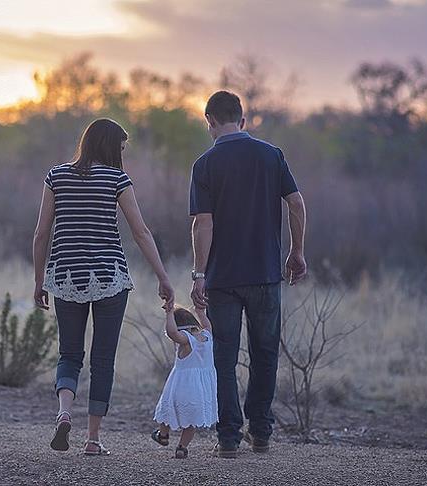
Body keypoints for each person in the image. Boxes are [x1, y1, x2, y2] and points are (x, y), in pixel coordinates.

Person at [32, 118, 174, 456]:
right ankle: (93, 439)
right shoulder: (117, 179)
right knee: (103, 359)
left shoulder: (56, 176)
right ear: (111, 147)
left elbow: (41, 234)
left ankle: (64, 413)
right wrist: (163, 277)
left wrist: (40, 280)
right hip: (110, 277)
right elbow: (141, 233)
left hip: (65, 277)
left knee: (69, 354)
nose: (122, 155)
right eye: (121, 148)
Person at [188, 90, 307, 458]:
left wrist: (199, 273)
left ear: (209, 123)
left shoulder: (204, 164)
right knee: (265, 353)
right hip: (265, 274)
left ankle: (228, 438)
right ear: (242, 120)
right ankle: (261, 432)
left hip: (222, 279)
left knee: (224, 358)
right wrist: (297, 251)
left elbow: (202, 225)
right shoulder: (271, 155)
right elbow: (296, 203)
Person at [151, 305, 218, 459]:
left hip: (181, 387)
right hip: (201, 390)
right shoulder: (207, 335)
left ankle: (163, 435)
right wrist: (200, 311)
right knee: (191, 421)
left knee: (167, 410)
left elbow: (172, 332)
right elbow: (207, 324)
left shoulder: (186, 340)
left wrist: (169, 314)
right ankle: (182, 447)